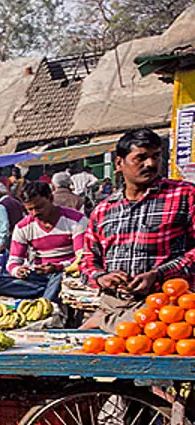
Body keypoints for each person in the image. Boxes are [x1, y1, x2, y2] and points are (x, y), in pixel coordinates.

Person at [80, 128, 195, 332]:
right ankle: (108, 322)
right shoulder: (103, 210)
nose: (150, 164)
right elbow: (89, 258)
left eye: (156, 157)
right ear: (119, 163)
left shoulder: (184, 195)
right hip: (114, 303)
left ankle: (105, 323)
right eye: (140, 158)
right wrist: (101, 277)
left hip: (166, 305)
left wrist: (158, 274)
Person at [0, 181, 84, 303]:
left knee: (58, 278)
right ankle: (48, 292)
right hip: (38, 275)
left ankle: (46, 302)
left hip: (65, 272)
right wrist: (18, 270)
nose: (35, 213)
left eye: (39, 207)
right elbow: (13, 262)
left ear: (50, 198)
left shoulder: (76, 220)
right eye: (30, 209)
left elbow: (82, 258)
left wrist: (57, 267)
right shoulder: (23, 227)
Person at [0, 183, 27, 257]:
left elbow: (4, 227)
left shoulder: (0, 206)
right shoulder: (16, 202)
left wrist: (2, 244)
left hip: (9, 241)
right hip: (20, 237)